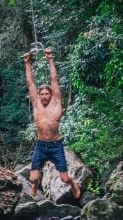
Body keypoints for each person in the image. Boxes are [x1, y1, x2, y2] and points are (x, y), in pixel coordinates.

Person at [24, 48, 81, 200]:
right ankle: (36, 184)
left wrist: (50, 59)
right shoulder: (36, 104)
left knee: (64, 178)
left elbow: (54, 79)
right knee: (33, 178)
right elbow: (30, 82)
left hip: (56, 145)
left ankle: (73, 184)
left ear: (51, 94)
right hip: (41, 145)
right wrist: (28, 63)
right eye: (41, 94)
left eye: (46, 94)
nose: (43, 96)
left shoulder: (56, 104)